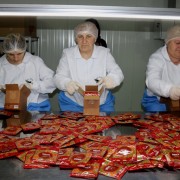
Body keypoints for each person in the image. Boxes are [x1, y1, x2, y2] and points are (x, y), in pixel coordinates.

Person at [54, 21, 124, 113]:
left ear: (95, 38)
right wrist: (66, 83)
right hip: (72, 102)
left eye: (88, 36)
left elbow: (118, 73)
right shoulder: (68, 54)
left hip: (101, 103)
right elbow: (59, 76)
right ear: (76, 39)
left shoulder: (104, 53)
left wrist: (112, 79)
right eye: (80, 36)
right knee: (73, 126)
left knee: (103, 125)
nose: (84, 41)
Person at [0, 33, 56, 111]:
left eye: (19, 53)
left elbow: (52, 82)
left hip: (35, 106)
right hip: (5, 106)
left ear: (24, 50)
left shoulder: (36, 62)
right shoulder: (1, 64)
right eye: (11, 54)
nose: (16, 58)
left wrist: (34, 85)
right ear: (5, 51)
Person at [142, 25, 180, 112]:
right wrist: (170, 90)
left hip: (177, 102)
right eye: (177, 43)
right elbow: (152, 81)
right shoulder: (157, 58)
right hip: (157, 99)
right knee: (158, 122)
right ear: (167, 43)